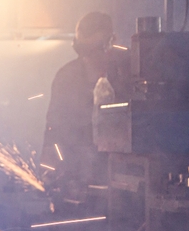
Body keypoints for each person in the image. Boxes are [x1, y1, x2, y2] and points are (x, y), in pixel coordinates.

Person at [41, 11, 130, 204]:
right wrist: (48, 171)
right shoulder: (66, 78)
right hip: (76, 185)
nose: (87, 57)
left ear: (111, 42)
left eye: (93, 50)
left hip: (123, 185)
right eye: (81, 49)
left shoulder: (131, 74)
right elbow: (53, 129)